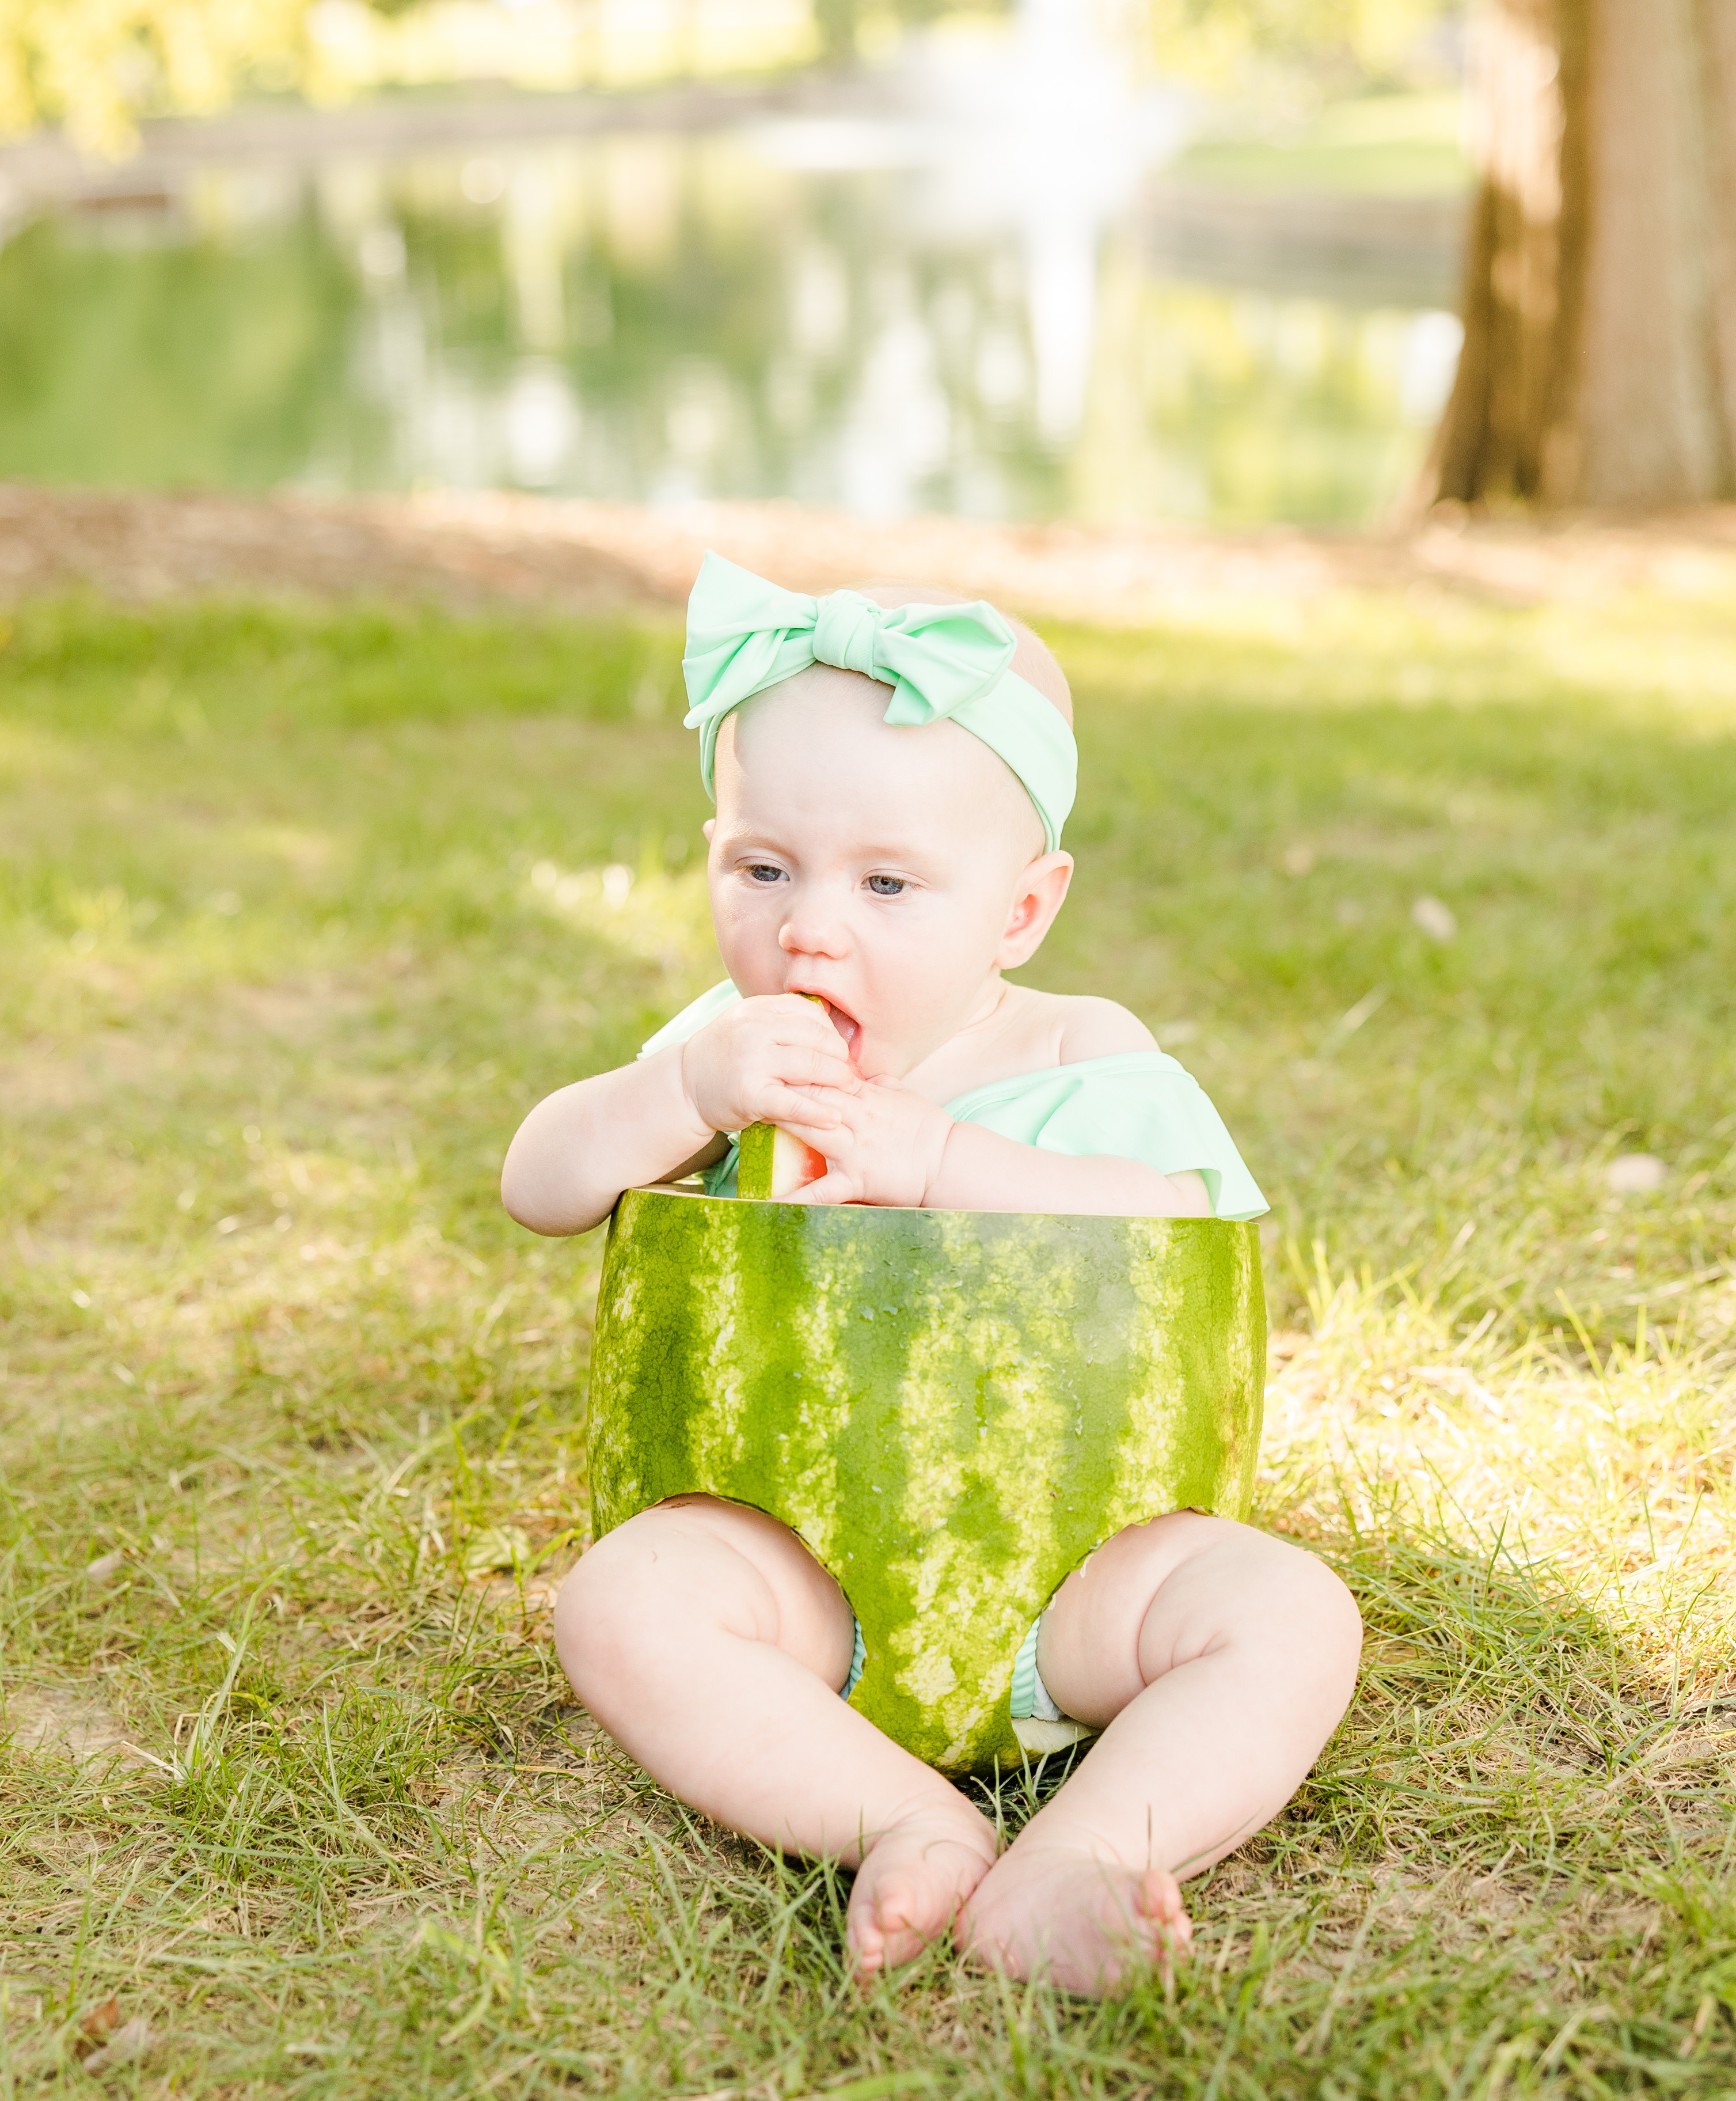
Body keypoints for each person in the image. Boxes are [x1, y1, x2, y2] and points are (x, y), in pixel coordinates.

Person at [501, 555, 1362, 1993]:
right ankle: (911, 1826)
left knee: (1290, 1613)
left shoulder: (1088, 1054)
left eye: (887, 882)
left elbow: (1176, 1218)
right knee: (616, 1601)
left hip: (1082, 1583)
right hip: (794, 1576)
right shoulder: (724, 1048)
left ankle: (1089, 1850)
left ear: (1020, 912)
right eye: (762, 867)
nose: (809, 927)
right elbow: (539, 1185)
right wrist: (680, 1096)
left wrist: (939, 1162)